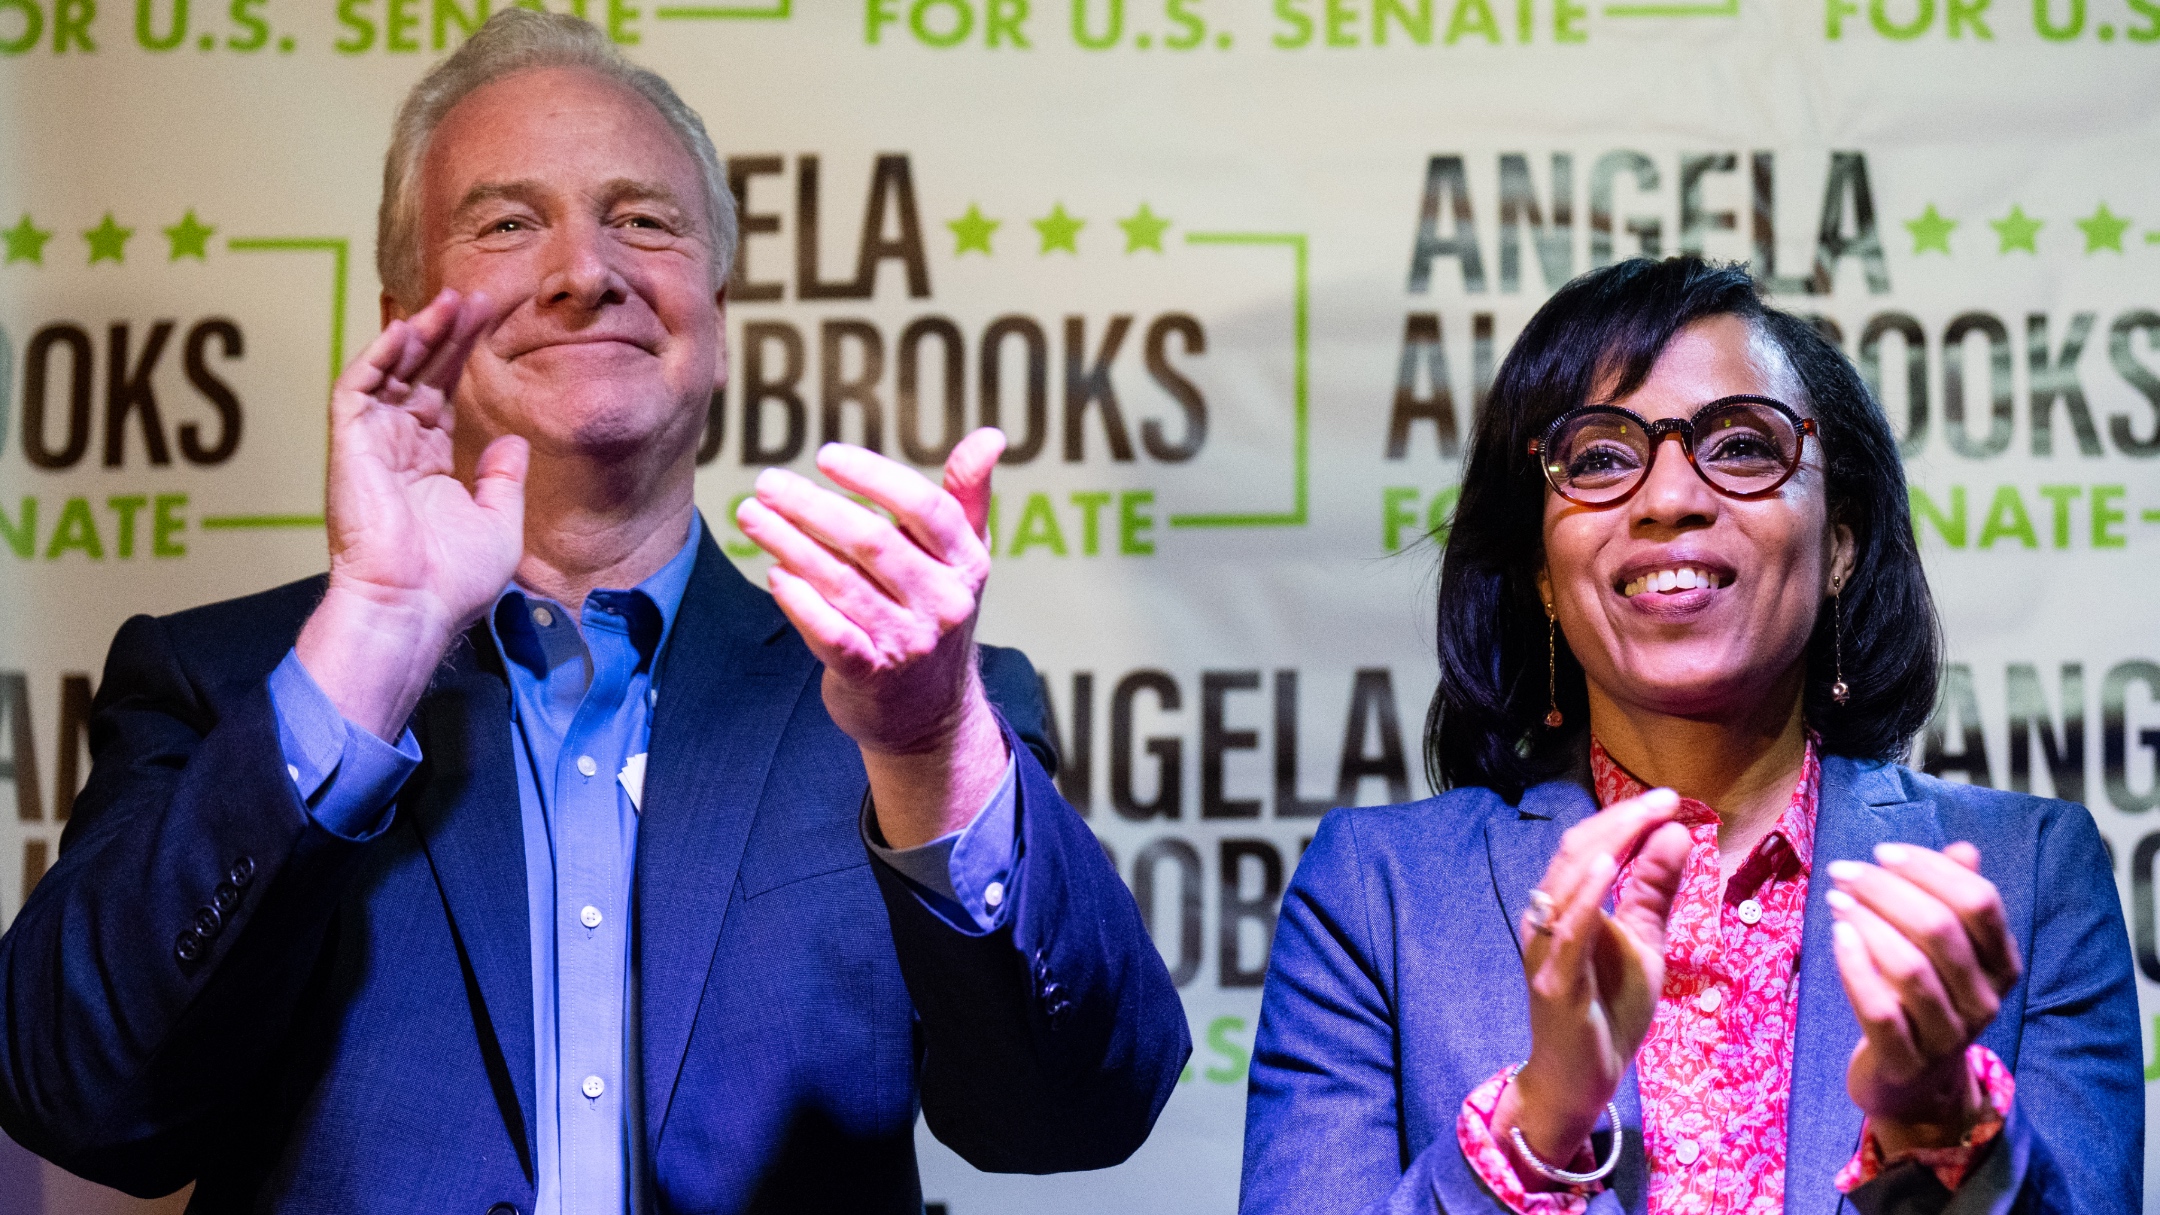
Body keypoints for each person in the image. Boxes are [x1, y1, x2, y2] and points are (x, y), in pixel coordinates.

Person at [0, 11, 1187, 1212]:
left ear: (717, 314)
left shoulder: (901, 701)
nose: (586, 271)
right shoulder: (218, 683)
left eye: (644, 220)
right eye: (509, 224)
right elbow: (80, 1100)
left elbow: (1082, 1111)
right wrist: (368, 647)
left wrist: (931, 745)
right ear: (405, 307)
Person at [1239, 256, 2139, 1215]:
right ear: (1544, 573)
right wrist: (1541, 1118)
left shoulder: (2032, 877)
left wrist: (1938, 1123)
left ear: (1839, 543)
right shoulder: (1378, 896)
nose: (1669, 498)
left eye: (1744, 446)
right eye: (1600, 457)